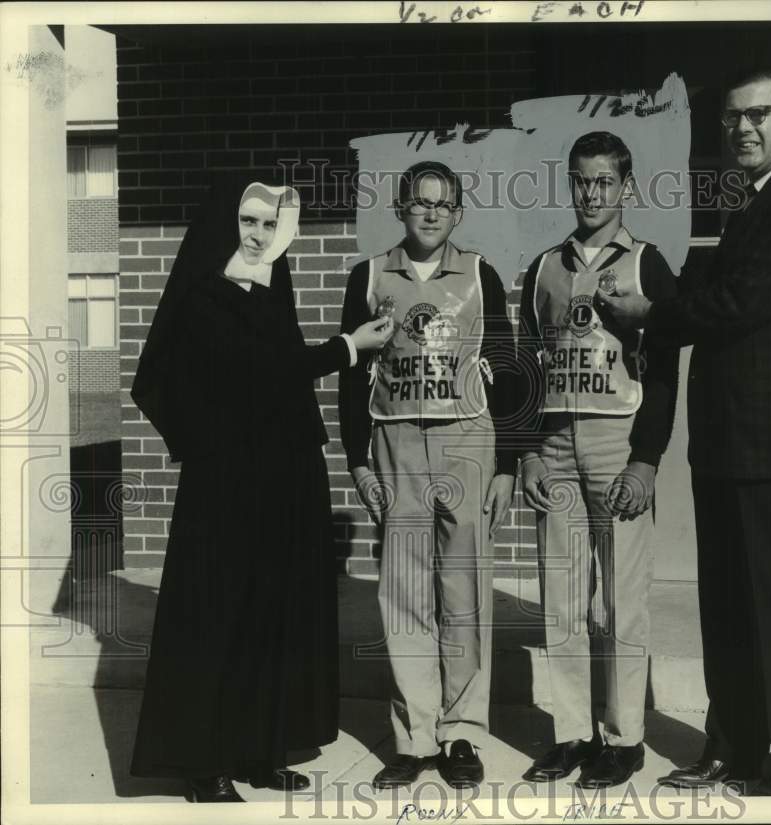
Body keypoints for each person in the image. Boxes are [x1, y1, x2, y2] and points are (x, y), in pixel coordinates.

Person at [596, 70, 771, 796]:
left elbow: (738, 304)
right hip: (731, 444)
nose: (742, 129)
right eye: (732, 118)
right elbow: (713, 292)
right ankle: (730, 748)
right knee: (729, 610)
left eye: (759, 115)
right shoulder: (751, 201)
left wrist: (648, 312)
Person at [130, 176, 392, 803]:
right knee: (221, 616)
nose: (257, 236)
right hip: (225, 483)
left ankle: (261, 748)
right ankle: (205, 763)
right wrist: (347, 350)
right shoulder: (204, 294)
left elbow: (277, 374)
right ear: (226, 225)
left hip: (283, 475)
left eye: (269, 226)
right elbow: (261, 370)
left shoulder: (273, 285)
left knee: (273, 611)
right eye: (248, 223)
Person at [338, 161, 521, 790]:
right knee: (405, 593)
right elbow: (350, 375)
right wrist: (359, 461)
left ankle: (463, 732)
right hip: (394, 444)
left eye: (444, 204)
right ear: (400, 207)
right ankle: (414, 738)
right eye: (420, 202)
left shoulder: (479, 275)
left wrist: (511, 465)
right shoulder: (368, 276)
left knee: (463, 590)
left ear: (459, 213)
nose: (432, 213)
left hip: (467, 442)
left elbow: (507, 364)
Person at [518, 131, 679, 789]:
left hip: (618, 443)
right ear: (571, 185)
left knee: (621, 600)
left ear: (627, 187)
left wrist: (648, 459)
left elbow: (665, 367)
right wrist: (527, 447)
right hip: (556, 444)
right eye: (581, 181)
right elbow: (528, 365)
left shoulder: (648, 262)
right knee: (561, 596)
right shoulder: (544, 267)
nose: (591, 193)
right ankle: (571, 733)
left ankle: (624, 737)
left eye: (604, 182)